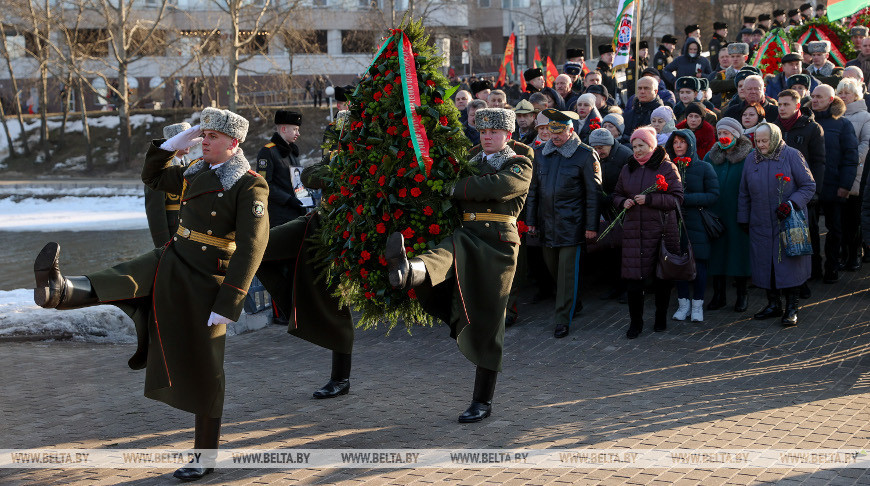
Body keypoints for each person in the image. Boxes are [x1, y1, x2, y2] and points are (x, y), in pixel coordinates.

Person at [33, 109, 268, 481]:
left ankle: (205, 456)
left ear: (234, 143)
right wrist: (172, 145)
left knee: (207, 369)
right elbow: (152, 176)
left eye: (213, 136)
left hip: (207, 278)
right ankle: (60, 290)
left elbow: (253, 247)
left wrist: (230, 302)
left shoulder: (249, 185)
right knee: (124, 275)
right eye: (202, 134)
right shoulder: (196, 171)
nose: (204, 140)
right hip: (173, 255)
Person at [386, 108, 532, 423]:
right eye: (483, 132)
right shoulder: (469, 162)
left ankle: (483, 401)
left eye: (493, 132)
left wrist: (454, 186)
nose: (487, 137)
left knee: (490, 322)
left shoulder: (520, 163)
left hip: (498, 246)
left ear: (508, 135)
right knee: (444, 252)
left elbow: (497, 187)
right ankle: (409, 271)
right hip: (466, 236)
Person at [257, 114, 355, 400]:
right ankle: (294, 308)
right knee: (257, 251)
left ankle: (340, 378)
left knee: (338, 300)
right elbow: (310, 176)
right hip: (311, 219)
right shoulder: (273, 152)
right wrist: (336, 164)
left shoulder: (365, 159)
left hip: (344, 232)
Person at [526, 109, 602, 338]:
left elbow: (594, 194)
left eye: (560, 132)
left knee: (567, 274)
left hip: (573, 225)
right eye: (551, 131)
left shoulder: (585, 155)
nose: (555, 137)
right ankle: (574, 302)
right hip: (546, 225)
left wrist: (591, 226)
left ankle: (562, 319)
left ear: (571, 130)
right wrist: (530, 221)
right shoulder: (540, 153)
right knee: (554, 272)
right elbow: (533, 191)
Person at [738, 122, 816, 326]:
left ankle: (792, 307)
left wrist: (791, 204)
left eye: (765, 141)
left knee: (790, 264)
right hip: (760, 222)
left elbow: (808, 185)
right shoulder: (751, 159)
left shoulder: (791, 155)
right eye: (758, 141)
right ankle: (773, 304)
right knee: (765, 264)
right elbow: (744, 192)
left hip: (787, 222)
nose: (761, 145)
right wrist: (743, 218)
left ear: (774, 138)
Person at [612, 126, 684, 338]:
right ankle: (636, 323)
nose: (637, 150)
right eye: (634, 146)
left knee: (661, 278)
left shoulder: (667, 167)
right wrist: (622, 201)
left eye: (641, 145)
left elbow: (677, 198)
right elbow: (616, 194)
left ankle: (660, 317)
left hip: (661, 231)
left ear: (651, 145)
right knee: (634, 280)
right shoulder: (628, 168)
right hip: (634, 232)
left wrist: (650, 199)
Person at [666, 129, 719, 322]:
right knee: (678, 263)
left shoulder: (704, 167)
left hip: (697, 222)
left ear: (691, 144)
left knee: (699, 264)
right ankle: (683, 304)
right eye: (675, 142)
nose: (678, 146)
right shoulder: (667, 167)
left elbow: (713, 195)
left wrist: (685, 199)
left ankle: (697, 305)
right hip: (674, 222)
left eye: (682, 142)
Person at [705, 117, 754, 312]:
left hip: (738, 213)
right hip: (716, 214)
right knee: (717, 254)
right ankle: (719, 295)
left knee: (739, 255)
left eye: (727, 133)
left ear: (736, 135)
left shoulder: (749, 155)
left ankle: (742, 295)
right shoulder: (711, 156)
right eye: (720, 134)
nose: (723, 137)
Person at [811, 84, 860, 283]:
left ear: (831, 100)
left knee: (835, 230)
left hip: (834, 185)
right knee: (811, 230)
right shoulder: (806, 121)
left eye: (819, 97)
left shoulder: (842, 124)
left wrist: (845, 186)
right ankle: (814, 270)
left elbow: (850, 157)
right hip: (811, 187)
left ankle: (832, 267)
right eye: (813, 96)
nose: (814, 100)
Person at [590, 127, 633, 301]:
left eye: (602, 148)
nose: (599, 152)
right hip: (603, 207)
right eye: (596, 148)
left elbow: (630, 184)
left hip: (621, 206)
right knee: (608, 248)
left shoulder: (625, 155)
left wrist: (613, 198)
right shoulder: (592, 156)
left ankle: (626, 288)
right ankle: (614, 285)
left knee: (623, 250)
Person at [836, 78, 870, 271]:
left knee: (853, 218)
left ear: (856, 95)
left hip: (856, 173)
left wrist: (850, 160)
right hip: (837, 173)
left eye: (846, 93)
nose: (842, 96)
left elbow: (866, 143)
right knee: (838, 219)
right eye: (840, 92)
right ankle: (843, 253)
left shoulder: (865, 116)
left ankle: (855, 254)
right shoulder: (834, 116)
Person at [144, 122, 194, 248]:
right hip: (173, 234)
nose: (190, 142)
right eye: (185, 139)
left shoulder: (192, 166)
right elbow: (155, 211)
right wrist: (163, 244)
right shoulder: (160, 170)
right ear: (173, 142)